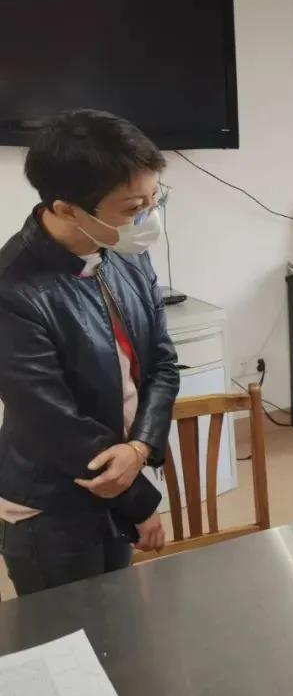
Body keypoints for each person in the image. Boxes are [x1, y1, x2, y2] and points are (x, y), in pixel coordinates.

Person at [0, 109, 176, 596]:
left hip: (120, 474)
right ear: (67, 209)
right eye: (133, 207)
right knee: (70, 632)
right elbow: (54, 424)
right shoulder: (14, 290)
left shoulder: (124, 251)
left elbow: (162, 362)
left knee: (117, 618)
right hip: (52, 504)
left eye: (154, 200)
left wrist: (140, 448)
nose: (147, 219)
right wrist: (140, 502)